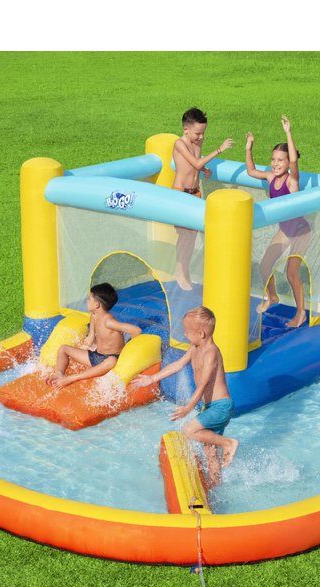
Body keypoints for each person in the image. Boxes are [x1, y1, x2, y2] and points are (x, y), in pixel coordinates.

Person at [131, 306, 238, 486]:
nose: (185, 334)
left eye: (187, 331)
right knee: (209, 452)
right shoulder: (194, 348)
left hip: (221, 406)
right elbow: (178, 365)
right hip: (210, 407)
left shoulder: (211, 352)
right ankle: (215, 485)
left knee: (188, 430)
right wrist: (152, 378)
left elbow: (203, 384)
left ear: (201, 334)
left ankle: (228, 443)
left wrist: (188, 408)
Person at [245, 114, 312, 327]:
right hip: (285, 230)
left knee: (291, 273)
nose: (275, 163)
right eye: (273, 159)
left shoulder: (292, 181)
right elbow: (250, 171)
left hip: (300, 231)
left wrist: (288, 132)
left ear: (287, 163)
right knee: (264, 266)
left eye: (280, 160)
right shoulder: (270, 177)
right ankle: (272, 297)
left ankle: (301, 314)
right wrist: (249, 148)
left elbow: (294, 161)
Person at [172, 107, 234, 290]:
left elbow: (196, 164)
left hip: (196, 192)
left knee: (192, 236)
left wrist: (204, 169)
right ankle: (180, 273)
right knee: (185, 236)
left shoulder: (197, 141)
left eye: (203, 133)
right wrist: (219, 150)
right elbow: (196, 162)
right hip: (181, 193)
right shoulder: (179, 144)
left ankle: (185, 272)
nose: (201, 137)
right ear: (186, 130)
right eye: (198, 133)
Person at [50, 283, 142, 389]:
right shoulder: (96, 314)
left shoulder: (109, 322)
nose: (87, 301)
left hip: (110, 358)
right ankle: (59, 373)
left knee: (111, 361)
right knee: (63, 349)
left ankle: (71, 378)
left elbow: (136, 330)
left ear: (96, 304)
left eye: (89, 299)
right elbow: (93, 316)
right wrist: (91, 335)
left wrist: (127, 349)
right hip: (96, 356)